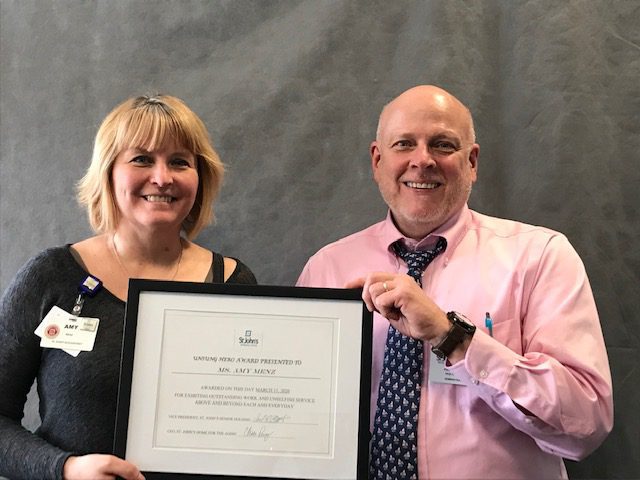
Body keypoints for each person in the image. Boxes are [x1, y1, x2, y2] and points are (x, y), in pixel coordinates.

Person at [297, 85, 613, 479]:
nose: (422, 160)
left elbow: (586, 424)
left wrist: (453, 337)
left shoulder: (540, 257)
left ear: (472, 161)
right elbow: (297, 413)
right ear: (377, 160)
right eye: (404, 144)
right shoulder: (327, 268)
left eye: (443, 145)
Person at [0, 94, 257, 480]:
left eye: (179, 161)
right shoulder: (50, 277)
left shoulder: (233, 283)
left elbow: (255, 420)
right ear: (108, 172)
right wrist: (65, 469)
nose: (162, 177)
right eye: (141, 159)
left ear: (200, 177)